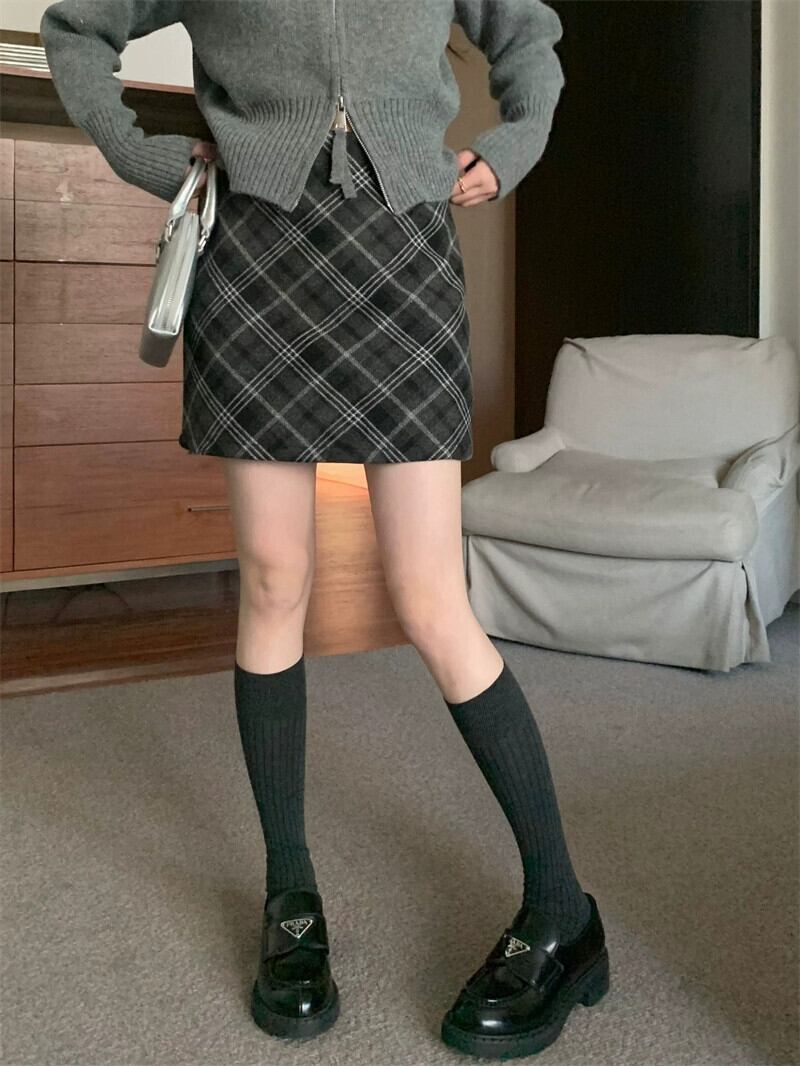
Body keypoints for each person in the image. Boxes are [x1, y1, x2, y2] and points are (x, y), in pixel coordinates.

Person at [40, 0, 610, 1058]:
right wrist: (141, 153)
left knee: (431, 596)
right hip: (255, 251)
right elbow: (77, 28)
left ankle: (562, 910)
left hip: (401, 252)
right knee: (272, 580)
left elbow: (525, 30)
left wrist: (513, 146)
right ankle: (290, 896)